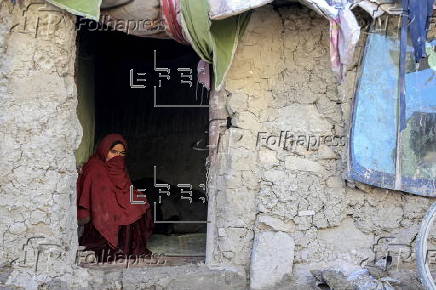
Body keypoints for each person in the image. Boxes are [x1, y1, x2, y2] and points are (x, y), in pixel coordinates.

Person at [77, 133, 153, 262]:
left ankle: (129, 246)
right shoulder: (95, 168)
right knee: (125, 211)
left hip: (117, 200)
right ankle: (119, 247)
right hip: (103, 212)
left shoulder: (119, 168)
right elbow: (100, 200)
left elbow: (125, 186)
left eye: (122, 153)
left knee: (139, 203)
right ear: (104, 149)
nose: (118, 156)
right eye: (113, 152)